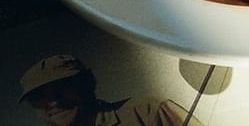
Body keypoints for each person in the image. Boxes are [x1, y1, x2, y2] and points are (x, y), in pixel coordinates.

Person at [19, 54, 204, 126]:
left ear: (86, 83)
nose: (53, 100)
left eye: (61, 88)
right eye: (39, 97)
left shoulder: (148, 112)